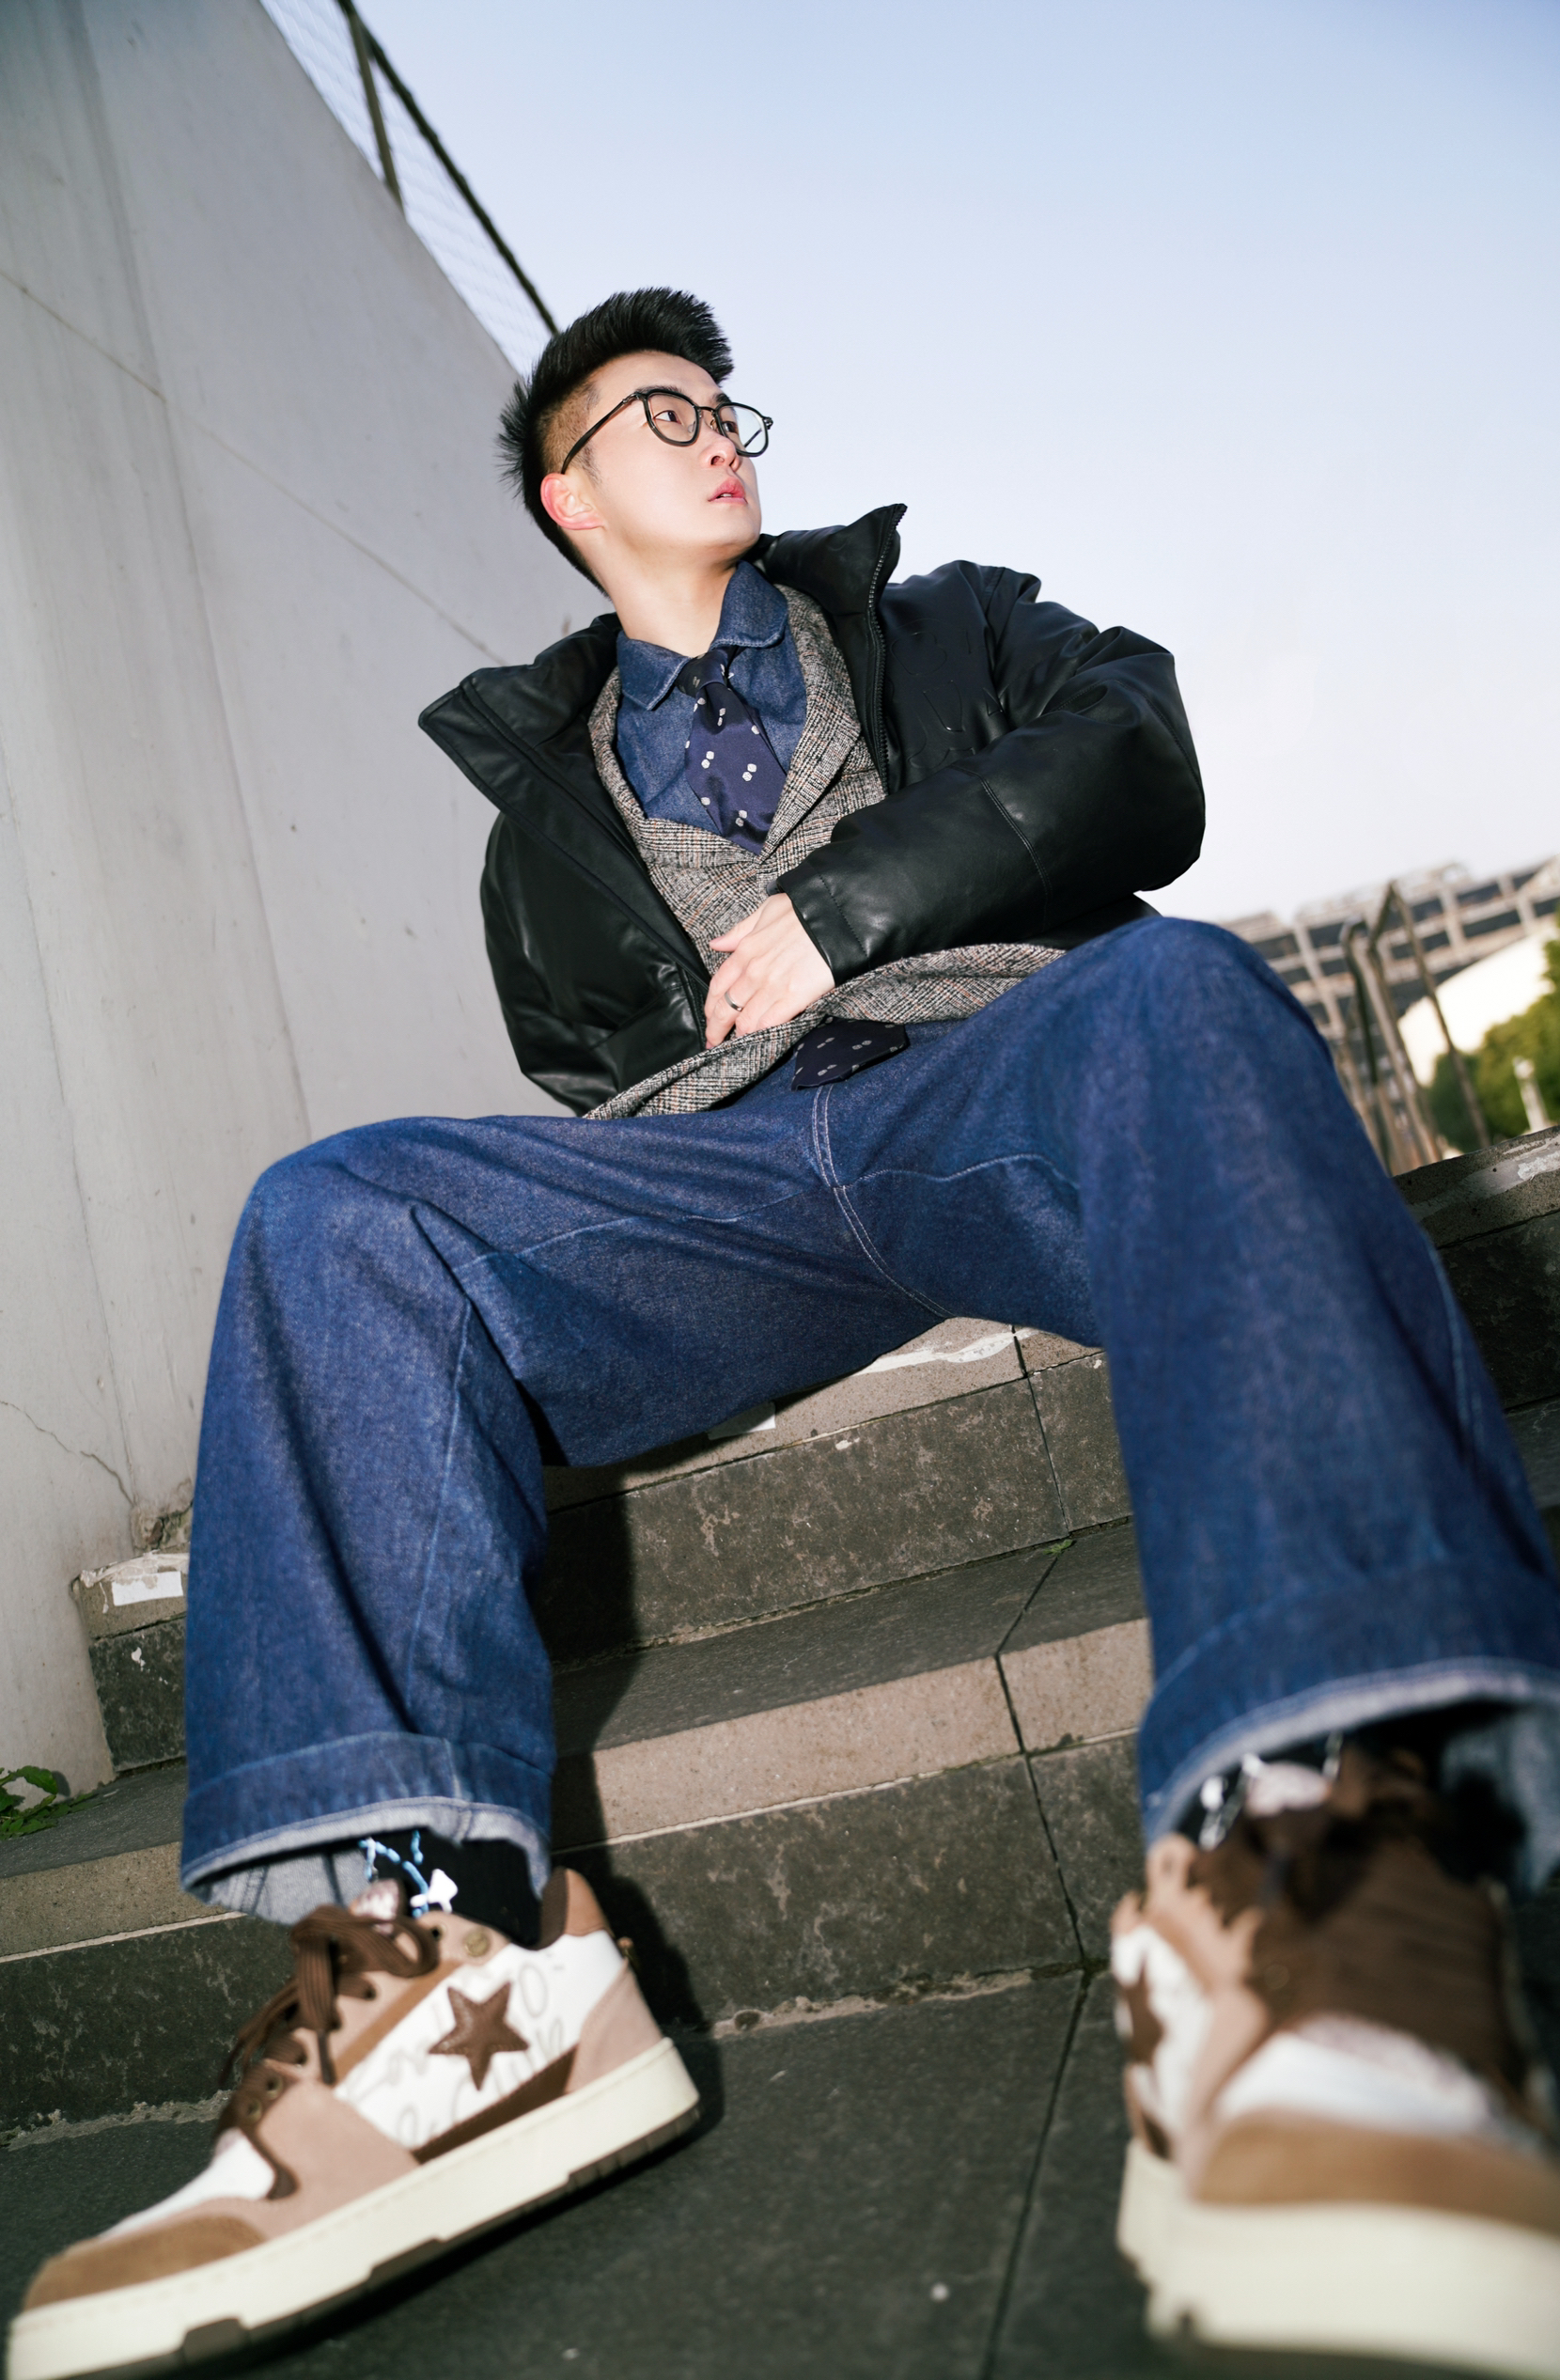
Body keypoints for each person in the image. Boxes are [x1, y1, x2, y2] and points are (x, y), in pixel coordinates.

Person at [11, 290, 1560, 2380]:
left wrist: (850, 910)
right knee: (334, 1208)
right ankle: (449, 1966)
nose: (719, 430)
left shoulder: (943, 624)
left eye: (727, 402)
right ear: (568, 496)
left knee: (1183, 993)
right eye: (664, 412)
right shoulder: (538, 817)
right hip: (724, 1182)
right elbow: (580, 1063)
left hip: (999, 1072)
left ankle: (1324, 1855)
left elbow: (1138, 749)